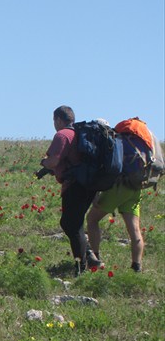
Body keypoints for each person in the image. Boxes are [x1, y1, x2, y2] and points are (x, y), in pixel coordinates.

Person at [86, 118, 153, 273]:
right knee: (134, 229)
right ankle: (136, 266)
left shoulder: (113, 141)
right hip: (136, 186)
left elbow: (106, 169)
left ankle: (95, 259)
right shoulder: (138, 140)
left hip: (119, 187)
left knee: (92, 219)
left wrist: (96, 193)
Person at [39, 105, 99, 274]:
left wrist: (44, 163)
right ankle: (88, 256)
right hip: (89, 184)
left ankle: (81, 267)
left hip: (75, 185)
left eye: (54, 120)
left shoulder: (62, 135)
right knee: (72, 223)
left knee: (71, 224)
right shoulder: (80, 133)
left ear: (58, 119)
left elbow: (53, 161)